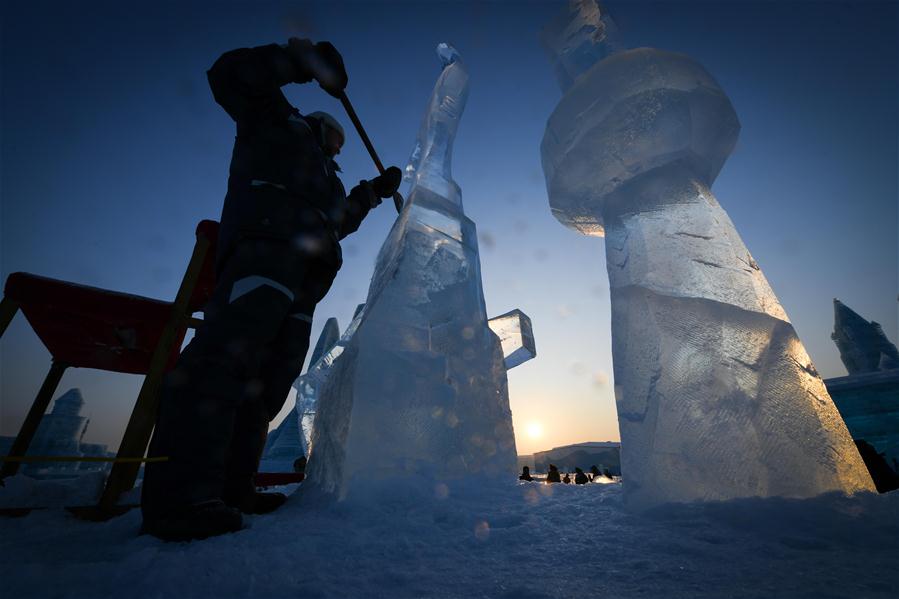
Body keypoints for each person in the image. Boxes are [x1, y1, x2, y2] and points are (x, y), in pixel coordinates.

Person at [141, 38, 402, 541]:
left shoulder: (324, 177)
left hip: (307, 278)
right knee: (223, 359)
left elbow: (338, 221)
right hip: (265, 246)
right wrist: (300, 62)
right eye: (335, 140)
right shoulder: (273, 121)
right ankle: (180, 497)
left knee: (268, 384)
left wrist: (372, 193)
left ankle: (233, 488)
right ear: (321, 127)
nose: (337, 150)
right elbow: (228, 75)